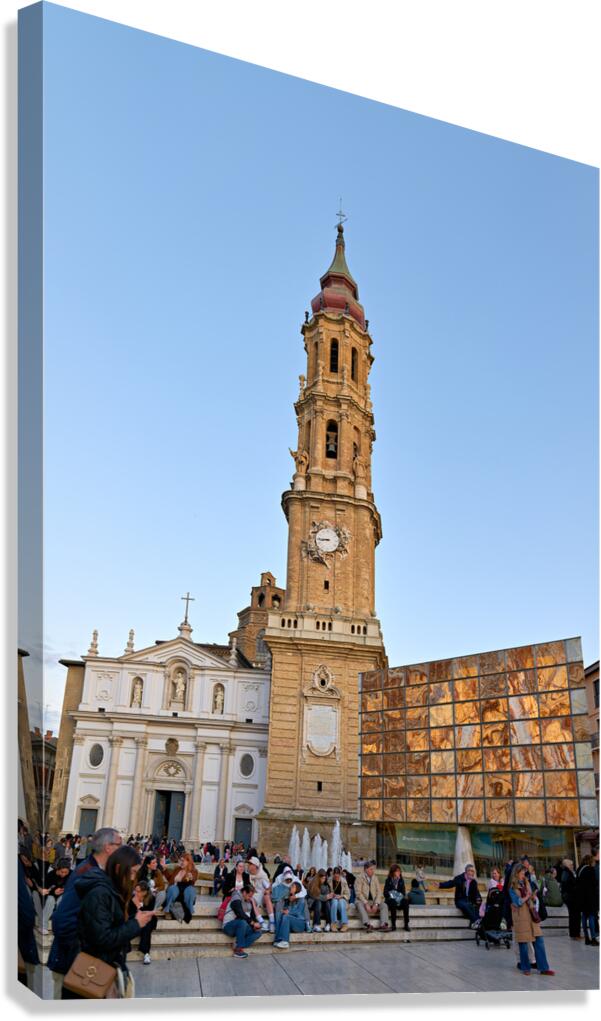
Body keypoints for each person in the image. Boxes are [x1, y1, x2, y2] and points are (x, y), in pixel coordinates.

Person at [47, 827, 123, 999]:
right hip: (72, 967)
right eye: (120, 844)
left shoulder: (96, 871)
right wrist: (80, 958)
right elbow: (62, 919)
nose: (122, 848)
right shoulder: (86, 873)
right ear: (108, 847)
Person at [70, 844, 154, 998]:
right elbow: (103, 938)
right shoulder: (100, 894)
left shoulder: (112, 892)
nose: (133, 878)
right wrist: (135, 924)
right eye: (132, 872)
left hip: (110, 966)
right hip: (96, 972)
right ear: (118, 869)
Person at [509, 862, 555, 976]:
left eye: (524, 872)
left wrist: (534, 898)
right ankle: (526, 967)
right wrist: (527, 896)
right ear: (516, 873)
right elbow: (517, 902)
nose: (524, 874)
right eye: (522, 872)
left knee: (539, 941)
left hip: (532, 915)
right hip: (521, 917)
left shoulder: (527, 883)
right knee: (523, 943)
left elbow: (531, 899)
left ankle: (544, 968)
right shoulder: (512, 887)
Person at [222, 883, 264, 958]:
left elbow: (252, 916)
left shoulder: (248, 900)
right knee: (242, 922)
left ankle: (238, 944)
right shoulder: (236, 897)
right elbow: (240, 913)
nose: (250, 898)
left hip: (241, 927)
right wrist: (253, 923)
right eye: (249, 896)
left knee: (258, 932)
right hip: (228, 927)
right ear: (244, 892)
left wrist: (255, 925)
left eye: (251, 896)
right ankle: (238, 950)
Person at [271, 873, 310, 948]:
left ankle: (285, 941)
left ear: (297, 889)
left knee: (286, 917)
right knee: (282, 916)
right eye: (291, 886)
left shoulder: (301, 899)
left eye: (293, 887)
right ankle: (278, 940)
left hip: (300, 924)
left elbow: (298, 912)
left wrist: (289, 912)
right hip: (292, 923)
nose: (290, 888)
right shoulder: (289, 899)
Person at [355, 861, 390, 931]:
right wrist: (366, 903)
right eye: (371, 869)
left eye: (373, 869)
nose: (373, 871)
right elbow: (358, 893)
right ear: (366, 869)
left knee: (384, 905)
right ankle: (367, 924)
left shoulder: (375, 878)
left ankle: (383, 924)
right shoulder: (359, 878)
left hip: (373, 901)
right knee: (359, 904)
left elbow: (379, 892)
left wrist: (376, 903)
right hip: (362, 901)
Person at [164, 852, 198, 922]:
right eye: (180, 860)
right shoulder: (177, 869)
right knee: (172, 888)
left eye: (183, 861)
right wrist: (164, 870)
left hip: (185, 893)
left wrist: (190, 878)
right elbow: (171, 880)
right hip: (175, 892)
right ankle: (167, 910)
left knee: (191, 890)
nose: (181, 862)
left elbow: (193, 879)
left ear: (188, 861)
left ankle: (189, 909)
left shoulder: (193, 871)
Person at [131, 879, 157, 964]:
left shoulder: (151, 898)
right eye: (135, 890)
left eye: (138, 891)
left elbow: (150, 913)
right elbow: (130, 912)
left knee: (146, 926)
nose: (136, 893)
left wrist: (138, 906)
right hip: (136, 919)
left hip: (149, 919)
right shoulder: (133, 898)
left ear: (145, 892)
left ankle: (146, 953)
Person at [246, 856, 275, 932]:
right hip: (255, 895)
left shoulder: (262, 875)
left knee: (266, 896)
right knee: (251, 900)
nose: (248, 865)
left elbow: (268, 887)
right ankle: (261, 921)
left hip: (263, 895)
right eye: (248, 864)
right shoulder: (248, 875)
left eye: (250, 864)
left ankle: (272, 922)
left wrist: (267, 891)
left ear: (255, 866)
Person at [576, 854, 599, 946]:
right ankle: (593, 938)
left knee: (584, 917)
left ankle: (586, 938)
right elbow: (594, 884)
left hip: (581, 898)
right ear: (590, 861)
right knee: (592, 917)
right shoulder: (590, 870)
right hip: (590, 898)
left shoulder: (579, 870)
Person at [383, 864, 410, 931]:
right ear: (393, 872)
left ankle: (406, 924)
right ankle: (393, 924)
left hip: (399, 900)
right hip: (391, 901)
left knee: (406, 902)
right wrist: (393, 895)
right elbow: (385, 893)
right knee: (393, 901)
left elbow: (403, 893)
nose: (399, 873)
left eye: (399, 871)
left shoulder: (401, 881)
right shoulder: (388, 880)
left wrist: (396, 895)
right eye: (397, 871)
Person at [560, 858, 581, 939]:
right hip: (571, 898)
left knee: (574, 916)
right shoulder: (567, 873)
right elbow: (568, 885)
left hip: (570, 897)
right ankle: (574, 934)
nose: (573, 866)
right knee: (574, 916)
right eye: (571, 864)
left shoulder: (567, 872)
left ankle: (575, 934)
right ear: (568, 865)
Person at [329, 866, 351, 931]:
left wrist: (341, 896)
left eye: (337, 875)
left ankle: (344, 924)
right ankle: (333, 924)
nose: (336, 876)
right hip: (333, 898)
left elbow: (348, 894)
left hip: (342, 898)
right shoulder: (329, 880)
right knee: (335, 903)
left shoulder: (343, 881)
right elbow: (327, 891)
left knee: (341, 903)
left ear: (340, 874)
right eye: (335, 875)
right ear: (333, 874)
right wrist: (332, 894)